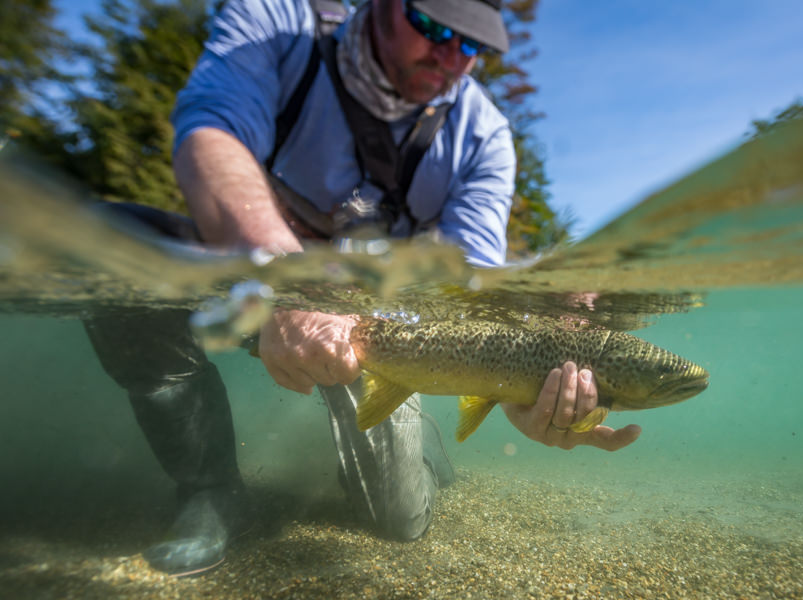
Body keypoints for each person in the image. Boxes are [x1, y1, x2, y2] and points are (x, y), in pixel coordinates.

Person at [84, 0, 641, 577]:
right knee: (113, 248)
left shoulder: (483, 138)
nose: (452, 56)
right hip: (248, 271)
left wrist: (513, 392)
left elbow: (469, 295)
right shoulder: (275, 23)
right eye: (432, 26)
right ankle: (208, 490)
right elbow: (211, 136)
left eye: (473, 43)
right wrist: (291, 290)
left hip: (381, 330)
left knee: (400, 519)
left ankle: (423, 445)